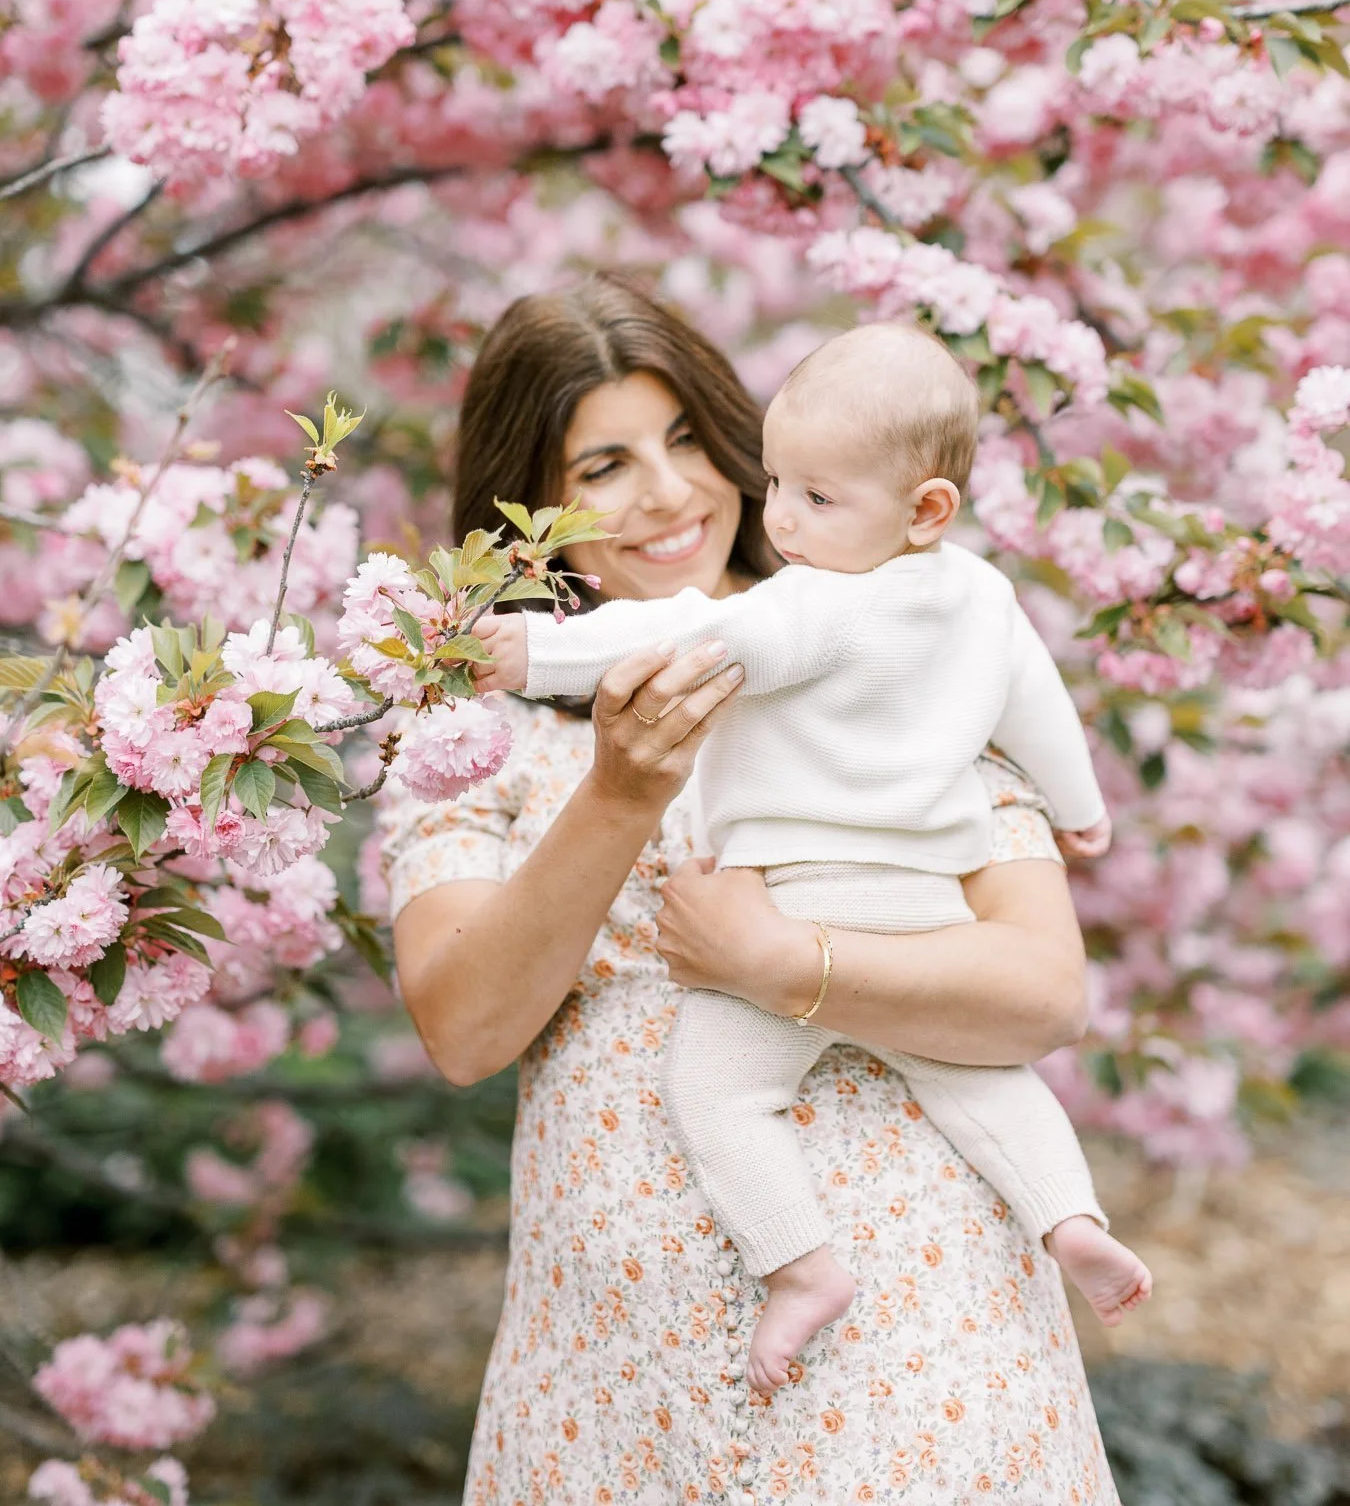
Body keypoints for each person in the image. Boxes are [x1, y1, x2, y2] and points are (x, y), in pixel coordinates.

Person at [385, 274, 1122, 1503]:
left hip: (915, 1348)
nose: (669, 492)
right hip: (616, 1375)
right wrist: (621, 794)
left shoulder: (892, 654)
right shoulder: (472, 738)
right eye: (603, 464)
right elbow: (465, 1027)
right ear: (532, 503)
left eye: (684, 439)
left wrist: (786, 965)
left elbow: (1042, 992)